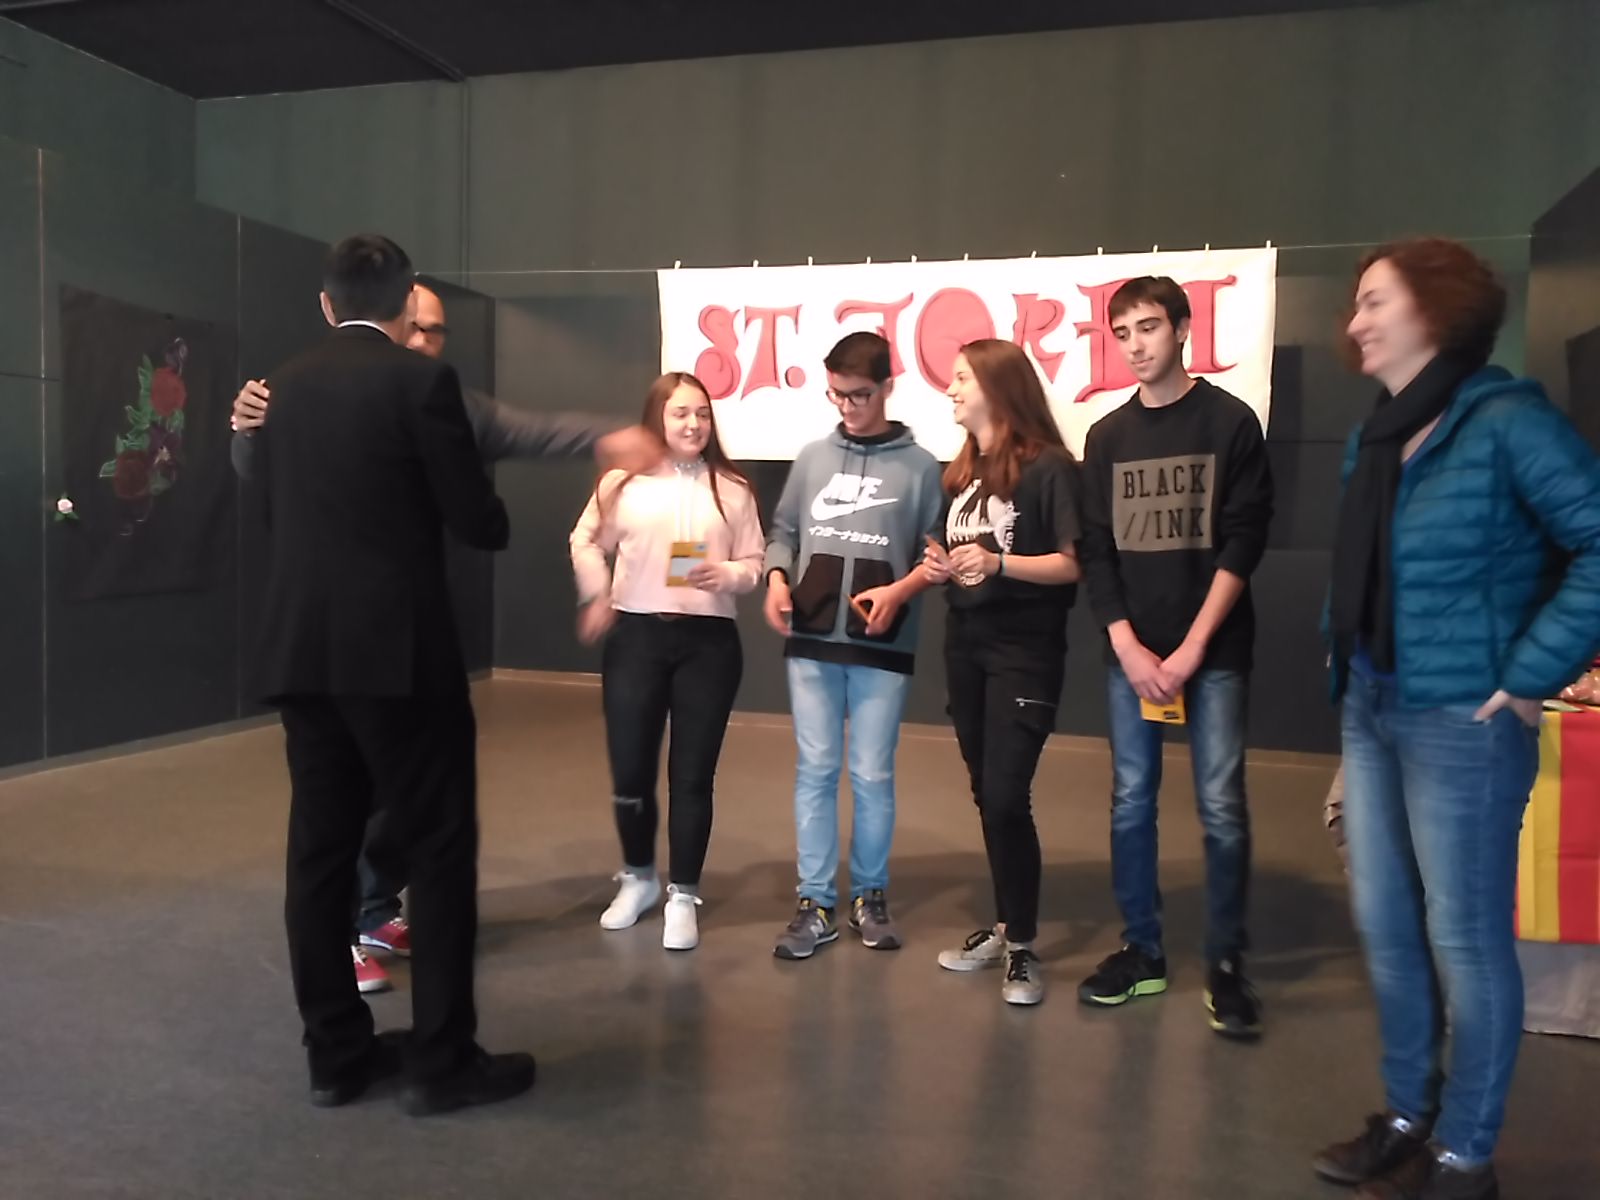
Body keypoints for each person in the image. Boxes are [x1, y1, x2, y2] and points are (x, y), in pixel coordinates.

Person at [232, 282, 658, 995]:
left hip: (398, 637)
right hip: (328, 640)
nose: (427, 341)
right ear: (387, 318)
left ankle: (373, 914)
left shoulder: (437, 398)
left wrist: (601, 437)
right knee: (348, 809)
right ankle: (353, 953)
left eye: (437, 332)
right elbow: (256, 471)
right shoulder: (312, 390)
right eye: (418, 327)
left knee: (396, 801)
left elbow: (524, 429)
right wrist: (246, 432)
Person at [1314, 237, 1600, 1200]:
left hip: (1462, 721)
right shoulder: (1377, 435)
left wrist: (1530, 674)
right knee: (1387, 924)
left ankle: (1466, 1154)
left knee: (1466, 940)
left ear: (1435, 309)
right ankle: (1407, 1116)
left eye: (1373, 301)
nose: (1355, 320)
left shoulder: (1509, 421)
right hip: (1373, 700)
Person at [251, 233, 533, 1116]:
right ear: (410, 302)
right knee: (439, 847)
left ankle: (335, 1057)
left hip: (303, 652)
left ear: (326, 303)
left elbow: (268, 505)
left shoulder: (280, 389)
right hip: (401, 657)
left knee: (319, 853)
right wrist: (488, 510)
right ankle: (441, 1063)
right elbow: (475, 519)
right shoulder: (421, 383)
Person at [1076, 275, 1275, 1039]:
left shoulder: (1230, 422)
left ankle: (1226, 962)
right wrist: (1127, 644)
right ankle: (1143, 949)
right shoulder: (1106, 437)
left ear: (1184, 328)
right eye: (1122, 332)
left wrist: (1192, 647)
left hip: (1212, 653)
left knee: (1221, 804)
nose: (1135, 345)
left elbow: (1244, 540)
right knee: (1132, 800)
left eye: (1149, 327)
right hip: (1132, 657)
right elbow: (1097, 552)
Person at [763, 331, 945, 959]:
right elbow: (783, 531)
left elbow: (935, 554)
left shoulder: (921, 468)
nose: (847, 406)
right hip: (812, 639)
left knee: (871, 772)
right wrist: (776, 578)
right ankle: (814, 902)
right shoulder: (813, 457)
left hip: (882, 643)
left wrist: (902, 590)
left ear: (888, 387)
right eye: (837, 394)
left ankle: (870, 895)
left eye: (859, 395)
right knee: (815, 770)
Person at [569, 372, 763, 950]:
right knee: (630, 771)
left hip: (709, 645)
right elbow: (585, 540)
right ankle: (638, 877)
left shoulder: (733, 488)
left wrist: (730, 573)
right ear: (658, 416)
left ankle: (683, 894)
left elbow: (754, 561)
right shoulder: (621, 483)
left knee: (693, 776)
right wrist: (597, 592)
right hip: (636, 638)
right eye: (680, 413)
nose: (693, 424)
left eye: (701, 413)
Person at [924, 340, 1083, 1006]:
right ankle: (1003, 926)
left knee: (1007, 793)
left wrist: (998, 564)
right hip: (966, 648)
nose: (951, 389)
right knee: (987, 794)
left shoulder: (1050, 468)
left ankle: (1021, 945)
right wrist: (939, 567)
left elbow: (1072, 564)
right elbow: (959, 556)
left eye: (962, 377)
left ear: (998, 386)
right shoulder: (962, 472)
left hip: (1024, 654)